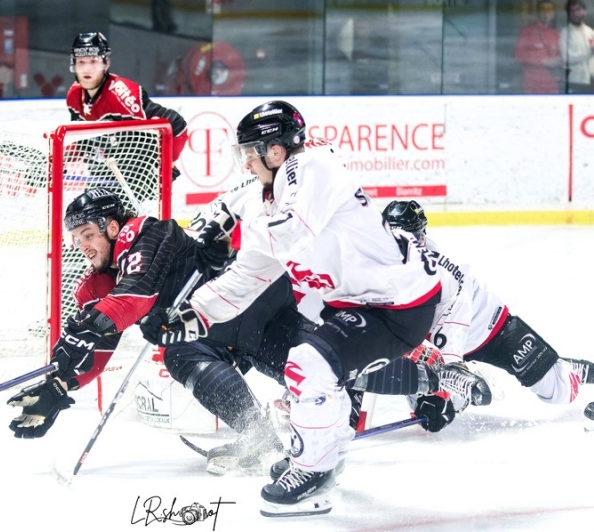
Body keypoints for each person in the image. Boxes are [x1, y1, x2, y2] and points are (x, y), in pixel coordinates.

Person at [145, 100, 443, 518]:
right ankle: (326, 454)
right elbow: (249, 276)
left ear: (276, 150)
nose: (246, 162)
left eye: (251, 152)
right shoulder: (274, 195)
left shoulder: (312, 168)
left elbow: (288, 234)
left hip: (397, 304)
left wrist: (229, 227)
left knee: (309, 364)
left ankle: (313, 471)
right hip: (356, 306)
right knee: (313, 369)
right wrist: (191, 315)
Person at [6, 187, 308, 476]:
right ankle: (259, 437)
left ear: (112, 228)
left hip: (252, 302)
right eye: (76, 238)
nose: (82, 246)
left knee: (324, 377)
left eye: (88, 234)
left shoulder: (143, 233)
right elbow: (98, 350)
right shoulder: (98, 284)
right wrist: (59, 385)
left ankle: (332, 401)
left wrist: (89, 326)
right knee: (181, 353)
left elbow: (136, 296)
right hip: (215, 331)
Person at [374, 200, 594, 406]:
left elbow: (451, 337)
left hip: (488, 328)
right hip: (438, 339)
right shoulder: (373, 262)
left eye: (408, 237)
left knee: (559, 389)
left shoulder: (440, 274)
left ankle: (564, 368)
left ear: (422, 236)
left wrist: (446, 385)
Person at [66, 32, 189, 168]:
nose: (87, 69)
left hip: (134, 182)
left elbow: (177, 124)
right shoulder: (74, 95)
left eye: (94, 61)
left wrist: (167, 164)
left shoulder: (123, 95)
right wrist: (63, 158)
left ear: (106, 64)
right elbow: (84, 143)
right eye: (81, 62)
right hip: (101, 177)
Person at [515, 0, 563, 93]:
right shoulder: (527, 31)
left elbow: (561, 56)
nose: (546, 13)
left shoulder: (555, 34)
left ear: (553, 13)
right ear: (537, 13)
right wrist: (542, 61)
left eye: (549, 10)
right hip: (533, 87)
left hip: (552, 86)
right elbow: (518, 56)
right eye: (543, 10)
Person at [559, 0, 594, 92]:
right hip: (574, 82)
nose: (575, 13)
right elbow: (566, 59)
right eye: (572, 11)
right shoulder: (565, 33)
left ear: (584, 11)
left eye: (578, 10)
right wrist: (590, 54)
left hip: (591, 81)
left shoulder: (590, 32)